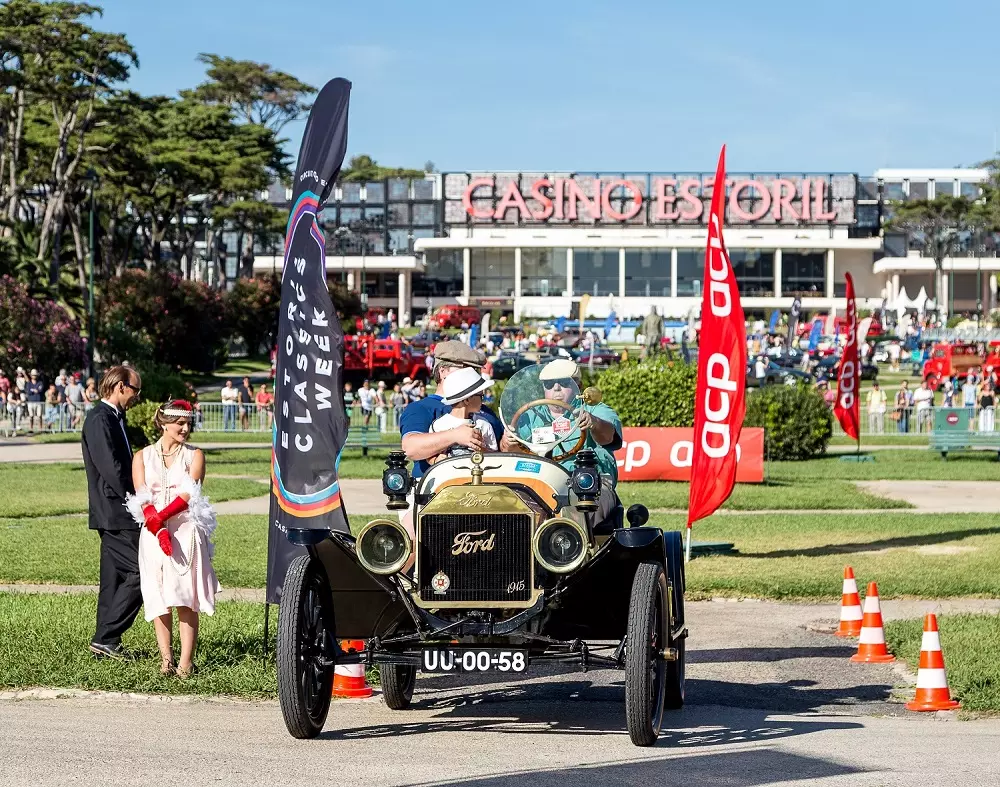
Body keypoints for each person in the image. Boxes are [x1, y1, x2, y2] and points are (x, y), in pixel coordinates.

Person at [126, 400, 219, 677]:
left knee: (185, 597)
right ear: (163, 424)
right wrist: (156, 525)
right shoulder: (142, 456)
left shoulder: (195, 455)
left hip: (186, 530)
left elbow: (189, 493)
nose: (185, 428)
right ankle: (166, 659)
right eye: (180, 423)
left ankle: (185, 663)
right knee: (158, 595)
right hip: (153, 535)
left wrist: (162, 518)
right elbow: (141, 494)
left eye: (188, 423)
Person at [501, 359, 623, 525]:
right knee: (509, 510)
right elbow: (509, 451)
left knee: (580, 512)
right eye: (549, 384)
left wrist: (594, 423)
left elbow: (608, 437)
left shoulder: (595, 410)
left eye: (564, 383)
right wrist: (509, 443)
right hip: (540, 482)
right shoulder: (529, 416)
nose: (556, 388)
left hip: (590, 484)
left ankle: (576, 546)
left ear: (578, 386)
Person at [81, 365, 143, 660]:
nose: (137, 396)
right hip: (116, 510)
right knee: (142, 572)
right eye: (135, 390)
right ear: (120, 387)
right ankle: (107, 636)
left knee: (113, 579)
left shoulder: (115, 418)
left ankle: (104, 643)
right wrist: (138, 499)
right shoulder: (99, 419)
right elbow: (113, 470)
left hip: (117, 510)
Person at [429, 367, 498, 461]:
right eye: (481, 396)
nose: (483, 401)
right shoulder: (438, 425)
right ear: (467, 400)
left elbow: (495, 456)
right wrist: (435, 460)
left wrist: (482, 449)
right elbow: (429, 454)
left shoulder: (484, 424)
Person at [25, 369, 44, 433]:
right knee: (31, 416)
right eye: (33, 375)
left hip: (38, 401)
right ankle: (31, 428)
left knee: (39, 416)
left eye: (35, 375)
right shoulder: (29, 383)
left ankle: (40, 428)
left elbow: (40, 390)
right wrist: (35, 390)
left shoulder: (40, 382)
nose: (34, 376)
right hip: (31, 402)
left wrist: (34, 390)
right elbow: (28, 391)